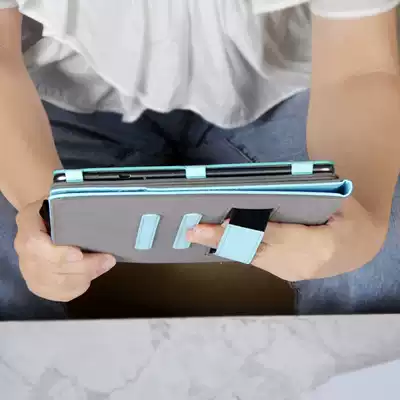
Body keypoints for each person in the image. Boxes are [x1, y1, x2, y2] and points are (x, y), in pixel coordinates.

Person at [0, 1, 399, 320]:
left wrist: (364, 227)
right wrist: (43, 212)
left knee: (376, 249)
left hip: (279, 90)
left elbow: (360, 66)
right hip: (62, 97)